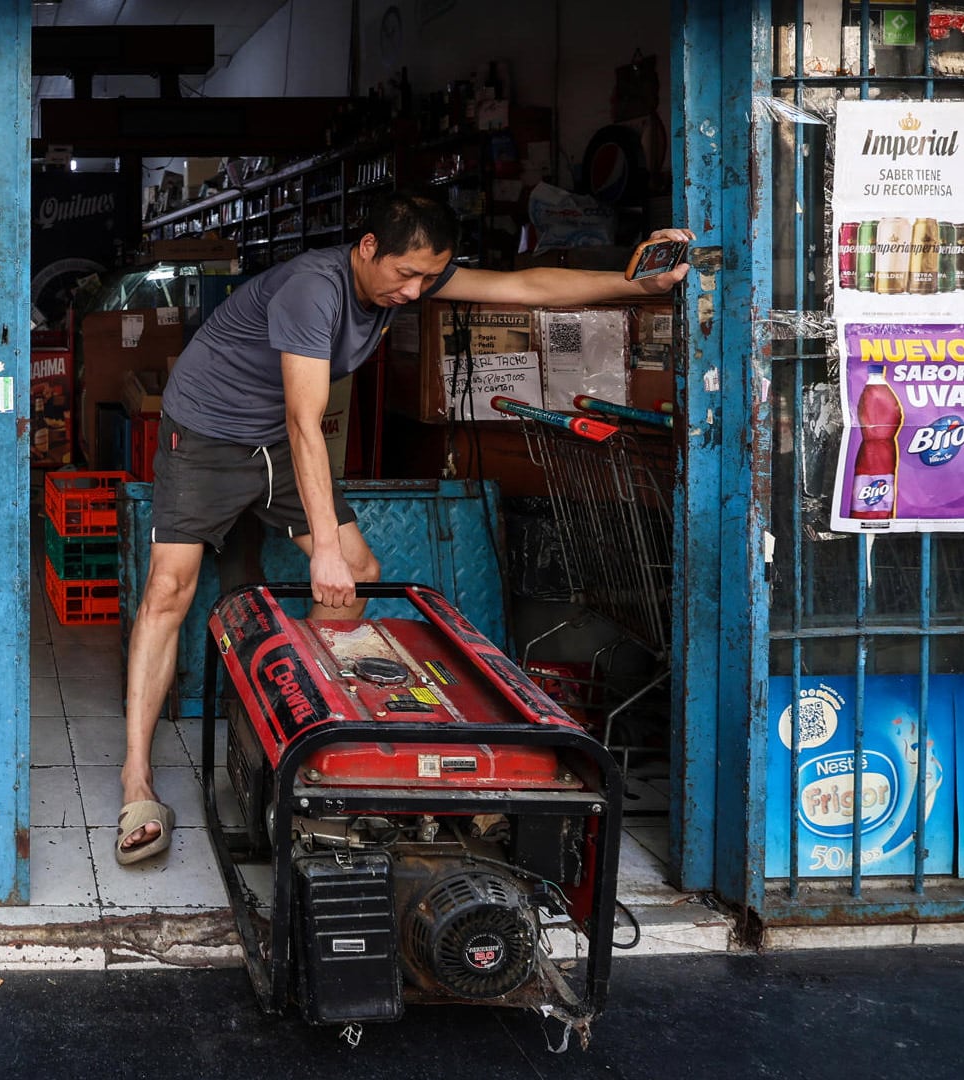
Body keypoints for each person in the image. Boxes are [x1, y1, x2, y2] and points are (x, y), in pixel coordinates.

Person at [114, 192, 692, 864]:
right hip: (209, 434)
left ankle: (304, 725)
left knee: (360, 573)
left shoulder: (411, 275)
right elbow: (308, 424)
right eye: (406, 275)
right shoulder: (313, 290)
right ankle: (137, 779)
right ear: (367, 248)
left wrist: (632, 282)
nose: (415, 291)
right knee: (169, 590)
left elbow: (525, 284)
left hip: (275, 441)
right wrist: (320, 548)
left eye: (429, 278)